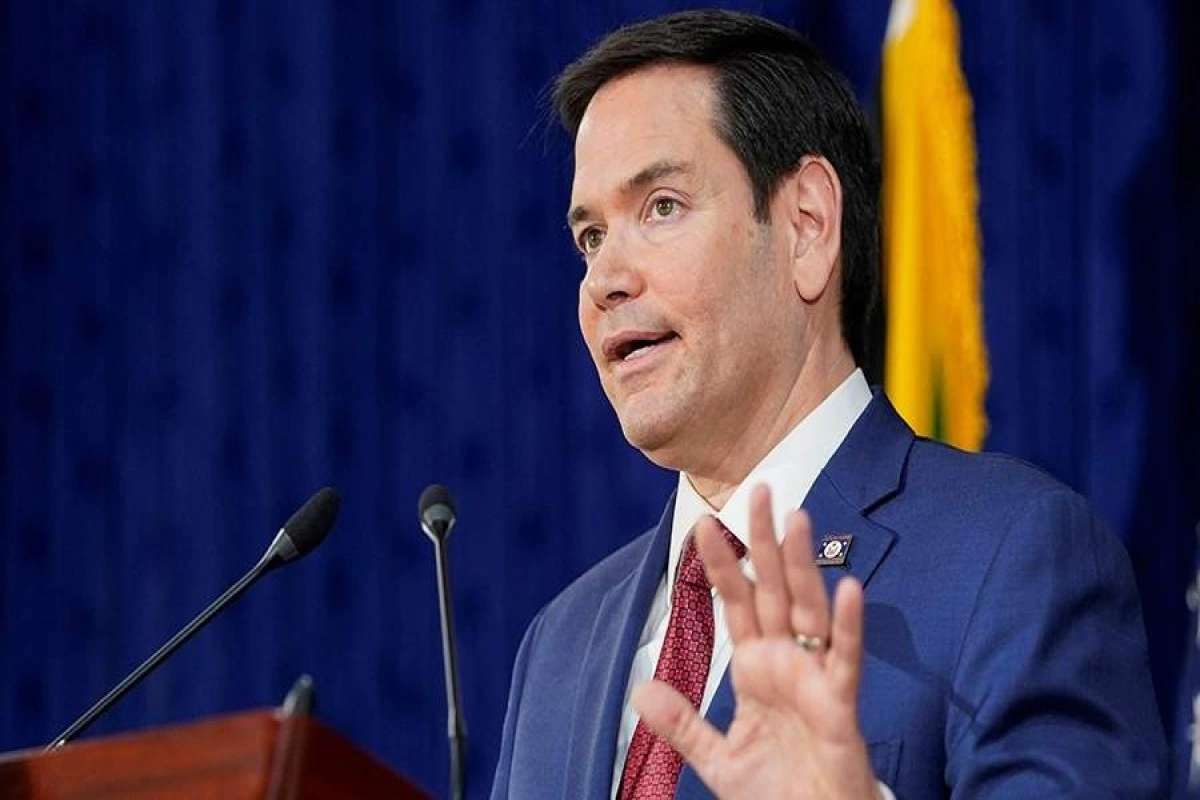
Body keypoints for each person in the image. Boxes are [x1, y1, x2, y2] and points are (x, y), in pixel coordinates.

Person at [490, 9, 1167, 799]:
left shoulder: (1012, 559)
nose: (605, 280)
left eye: (662, 207)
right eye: (591, 238)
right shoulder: (561, 644)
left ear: (807, 224)